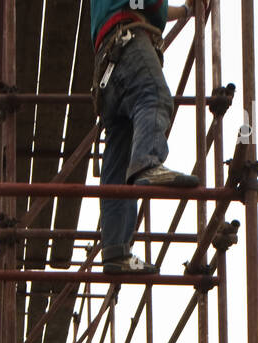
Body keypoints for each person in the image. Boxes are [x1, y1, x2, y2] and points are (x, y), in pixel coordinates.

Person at [90, 1, 199, 274]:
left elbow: (147, 5)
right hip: (128, 44)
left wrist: (185, 11)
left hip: (109, 59)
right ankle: (149, 162)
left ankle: (115, 250)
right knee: (154, 95)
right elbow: (144, 1)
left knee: (119, 157)